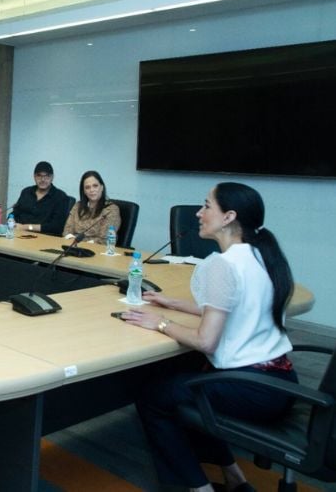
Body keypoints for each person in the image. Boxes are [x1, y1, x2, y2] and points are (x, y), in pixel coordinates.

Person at [121, 182, 296, 492]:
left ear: (228, 217)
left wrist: (160, 323)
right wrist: (175, 304)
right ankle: (234, 478)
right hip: (281, 382)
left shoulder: (223, 265)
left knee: (154, 397)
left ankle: (198, 488)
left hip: (250, 388)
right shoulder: (261, 254)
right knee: (182, 382)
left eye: (206, 206)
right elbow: (238, 308)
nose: (199, 214)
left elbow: (206, 342)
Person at [11, 161, 70, 235]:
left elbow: (56, 227)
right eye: (39, 175)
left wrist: (25, 227)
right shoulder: (26, 192)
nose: (43, 179)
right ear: (34, 177)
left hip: (45, 238)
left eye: (47, 176)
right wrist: (11, 219)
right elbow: (15, 212)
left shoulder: (61, 197)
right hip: (20, 235)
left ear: (52, 177)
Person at [62, 170, 121, 242]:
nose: (92, 190)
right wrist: (72, 240)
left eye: (95, 186)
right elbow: (66, 231)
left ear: (102, 187)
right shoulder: (77, 206)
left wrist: (79, 242)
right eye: (87, 187)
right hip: (73, 247)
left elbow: (104, 239)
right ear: (84, 191)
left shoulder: (111, 210)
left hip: (96, 250)